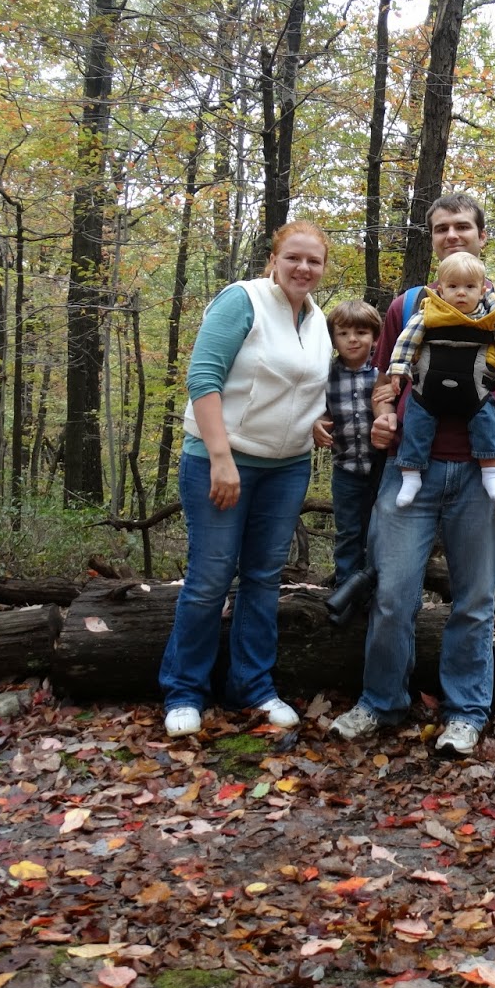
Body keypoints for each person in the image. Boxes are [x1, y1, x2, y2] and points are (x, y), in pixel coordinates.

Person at [330, 194, 495, 757]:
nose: (452, 235)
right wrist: (383, 416)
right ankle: (381, 702)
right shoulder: (408, 307)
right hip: (411, 469)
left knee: (475, 602)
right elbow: (386, 380)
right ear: (431, 239)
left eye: (462, 227)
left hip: (484, 479)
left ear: (481, 234)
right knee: (391, 596)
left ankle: (466, 713)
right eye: (440, 229)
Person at [158, 220, 332, 738]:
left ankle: (253, 686)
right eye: (294, 257)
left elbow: (299, 388)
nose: (303, 268)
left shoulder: (318, 319)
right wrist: (220, 456)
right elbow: (203, 377)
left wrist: (316, 423)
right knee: (211, 578)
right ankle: (184, 692)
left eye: (314, 261)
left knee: (262, 578)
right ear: (274, 259)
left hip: (287, 468)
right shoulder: (243, 301)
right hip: (222, 461)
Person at [384, 251, 495, 509]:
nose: (461, 293)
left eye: (469, 287)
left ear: (481, 290)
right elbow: (406, 342)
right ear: (441, 289)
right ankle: (411, 475)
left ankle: (491, 476)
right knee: (416, 423)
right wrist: (399, 369)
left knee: (488, 421)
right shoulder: (428, 313)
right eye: (453, 286)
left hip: (475, 392)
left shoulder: (491, 318)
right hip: (428, 391)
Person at [314, 299, 382, 585]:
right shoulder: (324, 374)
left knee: (379, 531)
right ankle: (345, 589)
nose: (352, 340)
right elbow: (318, 409)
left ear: (375, 337)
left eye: (361, 333)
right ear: (333, 339)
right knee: (347, 532)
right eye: (343, 334)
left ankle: (374, 588)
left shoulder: (384, 372)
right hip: (346, 469)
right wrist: (316, 423)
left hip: (382, 470)